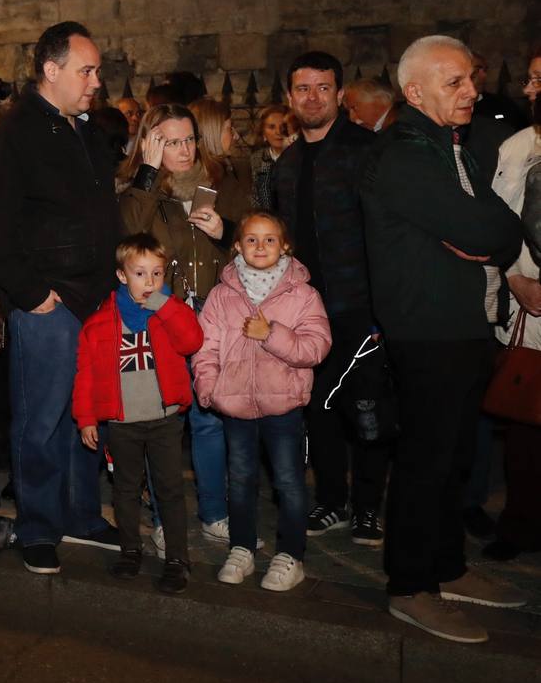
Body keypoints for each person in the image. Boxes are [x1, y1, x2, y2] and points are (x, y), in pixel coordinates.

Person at [361, 34, 525, 643]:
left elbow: (499, 231)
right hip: (426, 329)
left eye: (469, 80)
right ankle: (410, 586)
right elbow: (488, 225)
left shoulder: (449, 145)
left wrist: (492, 237)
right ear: (415, 91)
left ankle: (448, 567)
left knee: (456, 457)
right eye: (453, 82)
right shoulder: (404, 155)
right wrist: (491, 236)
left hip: (462, 324)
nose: (470, 90)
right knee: (426, 461)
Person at [0, 21, 122, 574]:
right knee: (41, 420)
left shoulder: (81, 129)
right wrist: (33, 294)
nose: (96, 81)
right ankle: (38, 526)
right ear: (50, 71)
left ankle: (82, 515)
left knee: (86, 414)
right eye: (86, 70)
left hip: (93, 299)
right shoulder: (15, 134)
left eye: (97, 71)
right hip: (49, 305)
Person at [271, 51, 391, 548]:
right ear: (290, 98)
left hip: (361, 306)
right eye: (303, 89)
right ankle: (332, 502)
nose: (313, 98)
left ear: (340, 95)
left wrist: (386, 310)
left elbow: (388, 234)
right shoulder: (287, 163)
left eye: (323, 88)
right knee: (317, 408)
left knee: (367, 410)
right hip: (306, 311)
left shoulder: (368, 151)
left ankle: (367, 508)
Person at [119, 102, 250, 544]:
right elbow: (126, 242)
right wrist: (149, 176)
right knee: (163, 424)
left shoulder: (223, 182)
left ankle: (214, 513)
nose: (184, 149)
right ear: (151, 142)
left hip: (213, 318)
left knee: (208, 420)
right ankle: (163, 519)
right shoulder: (138, 187)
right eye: (171, 141)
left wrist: (225, 232)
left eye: (189, 139)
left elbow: (258, 243)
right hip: (160, 318)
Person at [194, 211, 331, 591]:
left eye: (270, 239)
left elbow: (316, 347)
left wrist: (270, 334)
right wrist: (209, 388)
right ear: (237, 246)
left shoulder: (303, 295)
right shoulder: (223, 295)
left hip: (283, 407)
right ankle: (241, 548)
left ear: (285, 246)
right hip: (235, 407)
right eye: (251, 239)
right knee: (239, 480)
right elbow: (206, 347)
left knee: (288, 482)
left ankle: (291, 554)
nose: (260, 246)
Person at [72, 233, 203, 593]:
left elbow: (192, 341)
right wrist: (85, 418)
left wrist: (167, 306)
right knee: (125, 490)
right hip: (122, 422)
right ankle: (130, 550)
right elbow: (86, 374)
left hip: (163, 420)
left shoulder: (169, 311)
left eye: (157, 274)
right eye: (140, 273)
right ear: (121, 276)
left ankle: (178, 558)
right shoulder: (99, 324)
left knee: (170, 490)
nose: (149, 283)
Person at [482, 43, 541, 561]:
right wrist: (518, 277)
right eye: (530, 79)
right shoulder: (519, 145)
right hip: (531, 301)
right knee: (525, 422)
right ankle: (522, 522)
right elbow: (501, 219)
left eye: (540, 80)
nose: (529, 90)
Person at [249, 105, 290, 209]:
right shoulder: (256, 159)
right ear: (263, 133)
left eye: (283, 127)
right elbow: (254, 197)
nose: (278, 132)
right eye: (271, 127)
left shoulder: (299, 158)